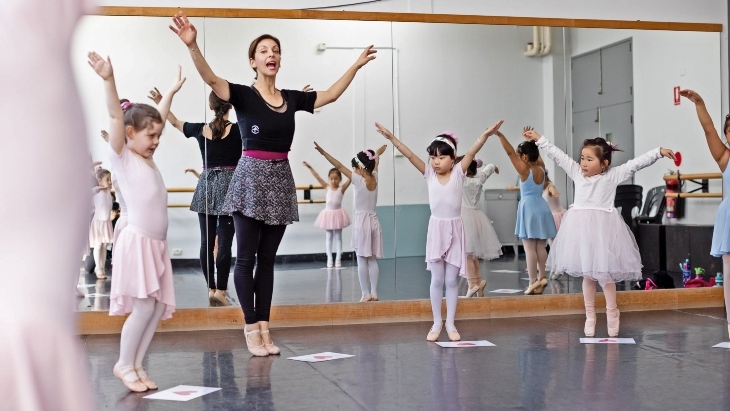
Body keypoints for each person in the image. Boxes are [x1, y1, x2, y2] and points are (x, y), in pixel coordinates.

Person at [171, 11, 376, 356]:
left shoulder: (293, 98)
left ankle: (265, 326)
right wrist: (192, 45)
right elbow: (210, 78)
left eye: (276, 50)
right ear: (253, 61)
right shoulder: (242, 95)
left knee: (267, 261)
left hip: (280, 179)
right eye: (264, 51)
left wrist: (354, 66)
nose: (271, 55)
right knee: (245, 259)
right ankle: (251, 327)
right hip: (250, 178)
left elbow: (331, 96)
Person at [89, 51, 185, 391]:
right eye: (151, 137)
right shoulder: (122, 157)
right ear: (130, 134)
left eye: (158, 136)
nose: (157, 142)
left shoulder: (143, 151)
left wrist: (171, 91)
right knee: (144, 307)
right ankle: (123, 364)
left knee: (156, 308)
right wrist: (107, 79)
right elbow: (117, 116)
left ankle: (137, 364)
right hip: (138, 239)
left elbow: (155, 117)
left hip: (155, 243)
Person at [523, 126, 675, 337]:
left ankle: (612, 312)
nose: (583, 163)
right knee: (588, 274)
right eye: (582, 158)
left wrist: (658, 152)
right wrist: (539, 139)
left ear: (604, 164)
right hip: (581, 229)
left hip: (604, 230)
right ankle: (590, 315)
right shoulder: (576, 172)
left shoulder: (612, 176)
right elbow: (557, 155)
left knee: (604, 275)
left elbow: (635, 164)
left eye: (589, 159)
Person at [375, 120, 503, 342]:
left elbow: (473, 150)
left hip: (455, 228)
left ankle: (451, 323)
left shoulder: (459, 173)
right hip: (436, 230)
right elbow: (409, 155)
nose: (435, 162)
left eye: (441, 157)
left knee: (452, 281)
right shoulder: (429, 174)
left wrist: (486, 135)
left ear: (453, 158)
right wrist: (392, 138)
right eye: (433, 157)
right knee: (436, 280)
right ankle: (436, 323)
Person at [148, 88, 240, 307]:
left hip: (206, 184)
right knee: (225, 242)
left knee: (206, 242)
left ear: (210, 107)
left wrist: (163, 101)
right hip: (230, 186)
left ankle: (210, 287)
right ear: (230, 106)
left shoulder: (200, 129)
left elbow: (176, 122)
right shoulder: (239, 130)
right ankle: (221, 291)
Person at [680, 89, 730, 338]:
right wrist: (699, 103)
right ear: (727, 135)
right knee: (729, 271)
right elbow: (709, 129)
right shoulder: (725, 156)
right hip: (729, 215)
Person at [314, 144, 386, 301]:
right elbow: (376, 161)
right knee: (372, 260)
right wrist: (378, 153)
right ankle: (374, 292)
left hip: (362, 222)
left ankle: (365, 293)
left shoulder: (358, 180)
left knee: (361, 259)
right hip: (374, 220)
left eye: (354, 168)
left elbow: (338, 165)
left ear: (360, 168)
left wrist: (323, 152)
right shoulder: (375, 177)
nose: (352, 170)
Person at [496, 131, 557, 295]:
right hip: (541, 207)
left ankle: (532, 281)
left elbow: (509, 153)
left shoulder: (525, 171)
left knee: (529, 248)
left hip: (529, 207)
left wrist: (501, 136)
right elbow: (537, 157)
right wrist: (533, 142)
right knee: (541, 246)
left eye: (519, 155)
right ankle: (542, 276)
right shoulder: (542, 169)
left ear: (523, 157)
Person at [459, 158, 502, 297]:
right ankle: (479, 281)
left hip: (464, 218)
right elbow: (488, 168)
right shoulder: (479, 179)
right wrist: (494, 165)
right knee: (472, 254)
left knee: (467, 255)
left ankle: (472, 284)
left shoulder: (462, 180)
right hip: (477, 216)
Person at [303, 162, 352, 268]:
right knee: (329, 237)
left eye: (336, 179)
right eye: (332, 179)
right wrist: (310, 167)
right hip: (328, 215)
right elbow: (317, 177)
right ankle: (329, 258)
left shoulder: (342, 188)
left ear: (340, 179)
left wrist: (356, 170)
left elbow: (351, 178)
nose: (334, 181)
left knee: (338, 237)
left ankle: (338, 258)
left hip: (338, 215)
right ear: (329, 179)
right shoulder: (327, 187)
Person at [89, 168, 113, 279]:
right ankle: (98, 268)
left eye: (110, 180)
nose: (110, 182)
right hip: (98, 222)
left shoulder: (108, 192)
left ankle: (102, 267)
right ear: (99, 181)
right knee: (98, 245)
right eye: (107, 180)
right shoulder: (96, 190)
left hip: (106, 222)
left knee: (104, 245)